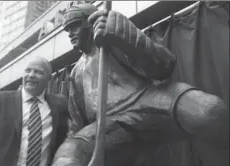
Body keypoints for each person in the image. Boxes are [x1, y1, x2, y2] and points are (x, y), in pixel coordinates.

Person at [52, 3, 229, 166]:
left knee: (209, 110)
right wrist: (72, 144)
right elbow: (76, 121)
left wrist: (128, 38)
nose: (70, 33)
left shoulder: (113, 40)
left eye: (75, 25)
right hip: (110, 123)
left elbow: (165, 65)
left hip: (148, 100)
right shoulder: (76, 73)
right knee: (67, 157)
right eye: (67, 29)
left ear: (91, 23)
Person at [0, 56, 69, 166]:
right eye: (28, 70)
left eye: (38, 72)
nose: (31, 75)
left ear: (49, 78)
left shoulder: (60, 105)